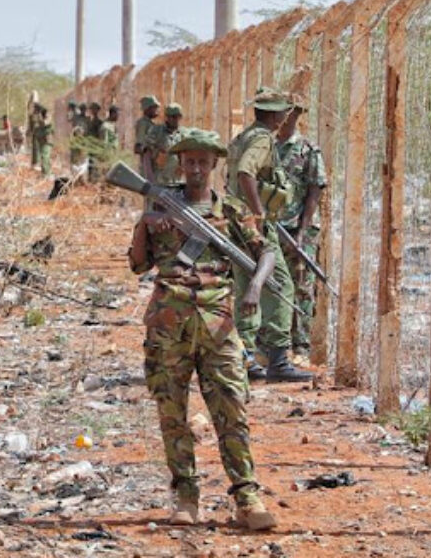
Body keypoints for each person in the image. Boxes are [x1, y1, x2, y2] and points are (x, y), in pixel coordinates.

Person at [127, 128, 278, 531]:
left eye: (203, 162)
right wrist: (147, 222)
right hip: (168, 325)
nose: (195, 169)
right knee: (172, 413)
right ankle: (186, 496)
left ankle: (246, 496)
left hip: (218, 324)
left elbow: (266, 252)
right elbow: (138, 265)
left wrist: (256, 287)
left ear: (214, 166)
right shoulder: (162, 204)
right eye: (189, 161)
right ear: (180, 164)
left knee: (232, 409)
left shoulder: (230, 211)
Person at [225, 87, 311, 383]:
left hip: (237, 218)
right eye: (283, 112)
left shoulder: (243, 137)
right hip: (253, 223)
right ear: (274, 114)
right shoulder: (261, 139)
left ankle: (245, 354)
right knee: (280, 286)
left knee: (248, 283)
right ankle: (277, 359)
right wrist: (259, 214)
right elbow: (246, 173)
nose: (285, 117)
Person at [273, 93, 327, 360]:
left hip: (297, 229)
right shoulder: (266, 147)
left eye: (294, 114)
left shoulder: (307, 150)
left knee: (301, 286)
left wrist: (303, 230)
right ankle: (271, 343)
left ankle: (300, 344)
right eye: (285, 113)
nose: (289, 119)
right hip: (269, 227)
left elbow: (315, 192)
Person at [146, 103, 184, 184]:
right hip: (158, 178)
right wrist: (149, 176)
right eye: (173, 117)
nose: (176, 119)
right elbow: (147, 153)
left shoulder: (182, 134)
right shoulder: (157, 131)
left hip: (175, 179)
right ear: (167, 117)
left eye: (178, 117)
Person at [134, 95, 161, 180]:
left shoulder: (150, 124)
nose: (156, 110)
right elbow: (141, 147)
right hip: (148, 166)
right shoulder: (143, 123)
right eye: (154, 108)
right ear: (147, 109)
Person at [32, 105, 54, 175]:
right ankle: (46, 173)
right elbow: (37, 129)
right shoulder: (40, 120)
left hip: (47, 141)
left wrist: (39, 115)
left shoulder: (48, 118)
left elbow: (44, 123)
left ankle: (46, 174)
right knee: (44, 158)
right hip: (42, 141)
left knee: (45, 157)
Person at [26, 102, 42, 168]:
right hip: (36, 134)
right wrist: (29, 132)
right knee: (35, 148)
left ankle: (36, 163)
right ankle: (35, 163)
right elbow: (31, 126)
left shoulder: (40, 115)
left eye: (35, 108)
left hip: (40, 134)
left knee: (38, 149)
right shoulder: (33, 115)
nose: (34, 109)